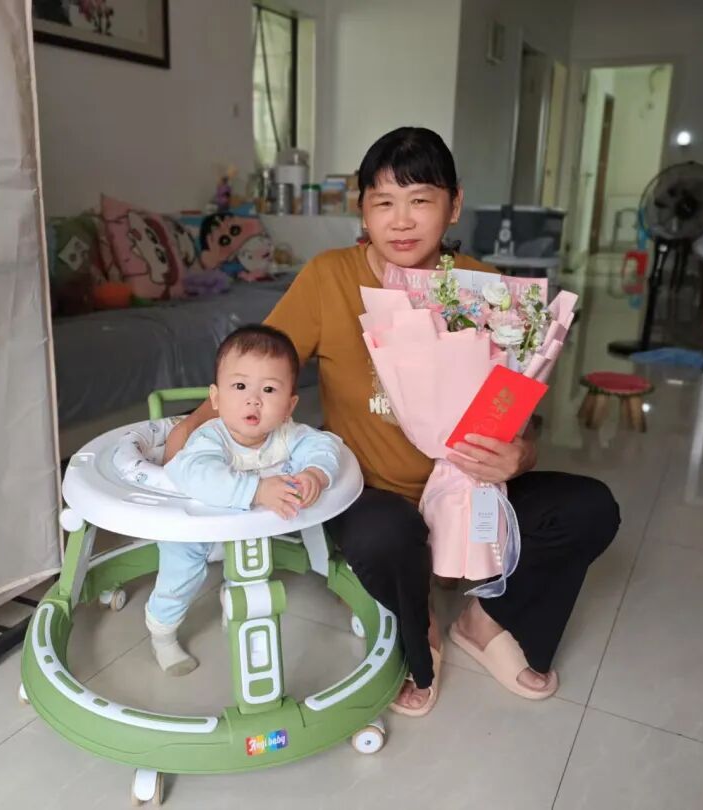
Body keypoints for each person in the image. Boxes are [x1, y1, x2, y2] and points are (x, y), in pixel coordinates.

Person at [164, 127, 620, 713]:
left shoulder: (483, 289)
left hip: (470, 488)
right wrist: (191, 426)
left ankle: (485, 622)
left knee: (590, 508)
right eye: (383, 202)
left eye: (420, 200)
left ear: (454, 205)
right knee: (385, 535)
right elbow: (252, 369)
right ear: (363, 211)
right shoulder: (329, 277)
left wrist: (520, 456)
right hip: (370, 491)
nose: (401, 221)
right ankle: (417, 620)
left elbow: (515, 405)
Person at [147, 325, 341, 675]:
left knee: (251, 572)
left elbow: (324, 445)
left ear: (290, 405)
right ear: (216, 397)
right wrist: (258, 490)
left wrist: (315, 473)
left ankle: (234, 607)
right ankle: (163, 633)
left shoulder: (287, 435)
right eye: (240, 387)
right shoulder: (210, 437)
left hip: (244, 532)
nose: (254, 400)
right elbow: (197, 473)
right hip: (192, 531)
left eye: (269, 389)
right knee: (179, 579)